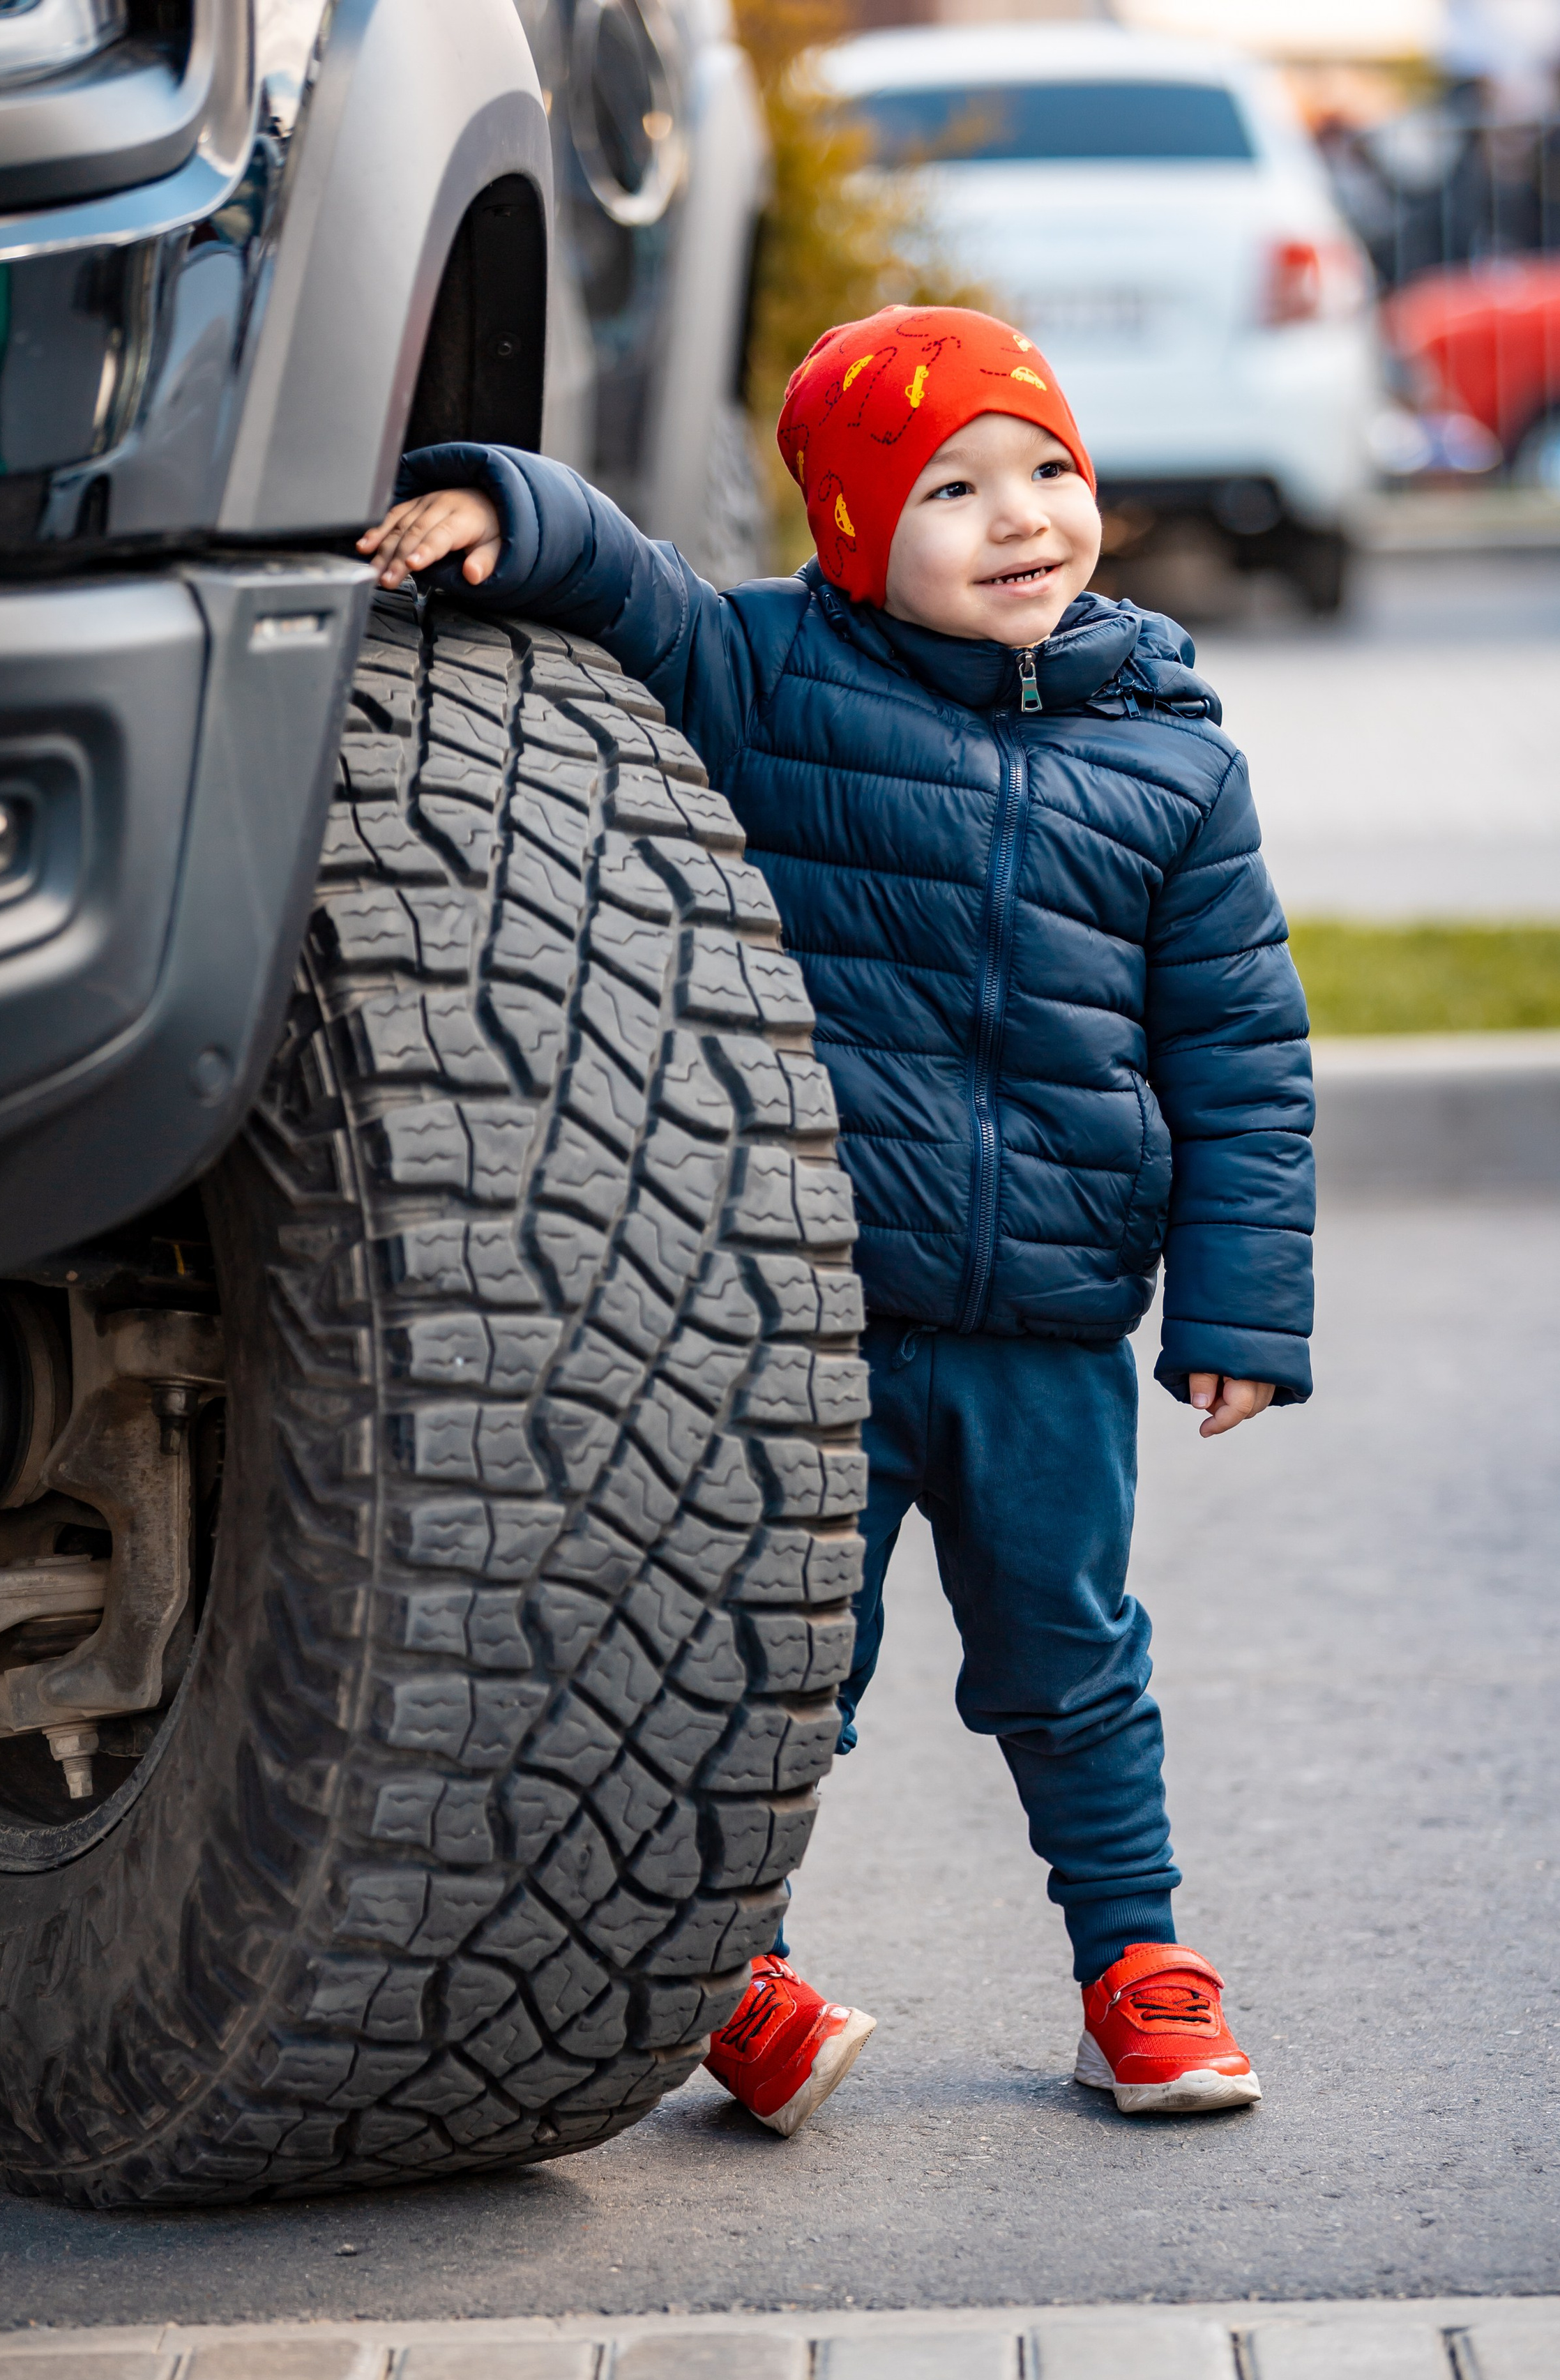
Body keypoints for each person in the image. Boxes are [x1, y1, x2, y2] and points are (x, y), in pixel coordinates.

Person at [358, 306, 1313, 2139]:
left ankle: (1139, 1968)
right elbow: (634, 586)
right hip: (807, 1323)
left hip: (1048, 1328)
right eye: (952, 489)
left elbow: (1242, 1053)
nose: (1020, 516)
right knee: (779, 1671)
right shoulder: (778, 676)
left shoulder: (1174, 759)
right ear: (861, 532)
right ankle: (731, 1978)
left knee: (1074, 1664)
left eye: (1047, 469)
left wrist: (1242, 1307)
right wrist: (501, 506)